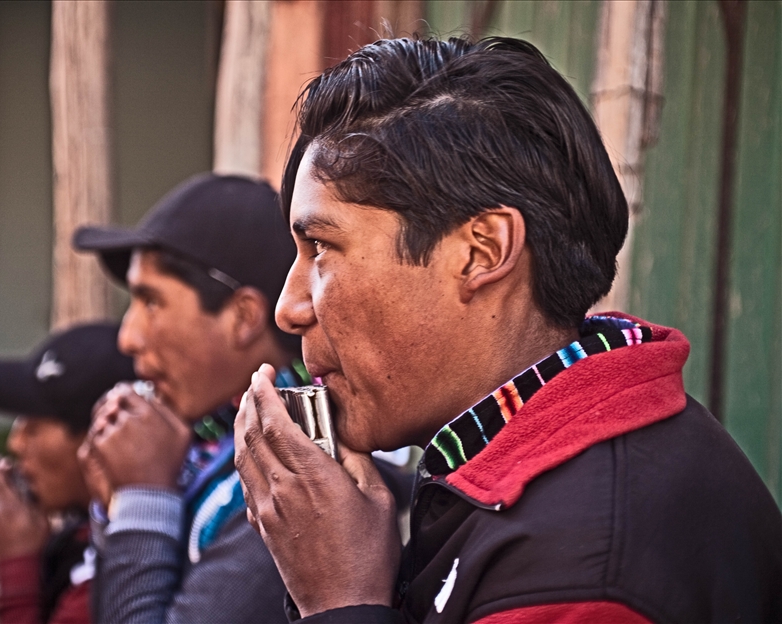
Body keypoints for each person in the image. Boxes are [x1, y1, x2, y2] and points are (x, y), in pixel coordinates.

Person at [234, 36, 782, 624]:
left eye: (321, 247)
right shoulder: (531, 472)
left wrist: (342, 602)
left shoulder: (582, 580)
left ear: (481, 252)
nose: (288, 308)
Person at [72, 174, 306, 623]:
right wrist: (116, 509)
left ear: (242, 317)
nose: (128, 337)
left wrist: (143, 495)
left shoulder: (289, 477)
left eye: (151, 302)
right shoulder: (204, 445)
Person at [0, 323, 137, 624]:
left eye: (34, 426)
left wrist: (16, 564)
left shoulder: (116, 574)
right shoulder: (83, 534)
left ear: (102, 434)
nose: (15, 443)